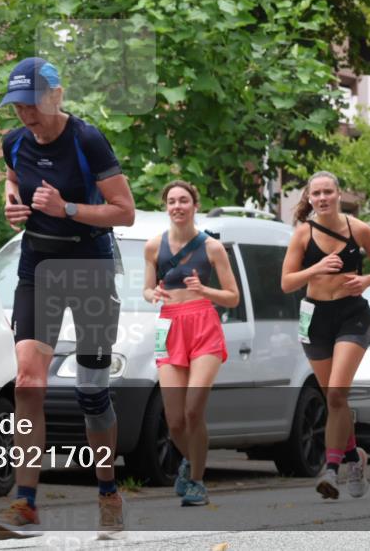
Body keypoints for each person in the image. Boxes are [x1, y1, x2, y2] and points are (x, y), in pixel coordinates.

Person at [0, 57, 136, 541]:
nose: (24, 115)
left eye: (31, 103)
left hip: (90, 266)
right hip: (39, 266)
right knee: (28, 382)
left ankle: (108, 490)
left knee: (92, 393)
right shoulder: (14, 142)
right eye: (17, 106)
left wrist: (67, 208)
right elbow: (12, 176)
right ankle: (27, 503)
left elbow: (125, 213)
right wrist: (11, 200)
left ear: (54, 96)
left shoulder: (86, 140)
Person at [281, 171, 370, 499]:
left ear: (338, 194)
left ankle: (330, 470)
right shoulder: (303, 234)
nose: (323, 197)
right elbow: (287, 282)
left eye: (328, 191)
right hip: (315, 318)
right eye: (317, 193)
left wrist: (366, 281)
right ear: (310, 198)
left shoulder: (360, 230)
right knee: (334, 397)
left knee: (336, 395)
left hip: (351, 315)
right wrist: (315, 269)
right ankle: (354, 458)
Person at [143, 180, 240, 506]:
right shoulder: (153, 246)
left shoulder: (211, 247)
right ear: (166, 206)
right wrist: (152, 293)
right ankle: (191, 460)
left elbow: (232, 296)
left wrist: (205, 291)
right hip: (169, 326)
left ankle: (197, 479)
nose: (177, 206)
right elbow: (145, 289)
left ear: (194, 205)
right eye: (171, 201)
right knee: (175, 420)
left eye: (183, 200)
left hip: (203, 324)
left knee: (193, 408)